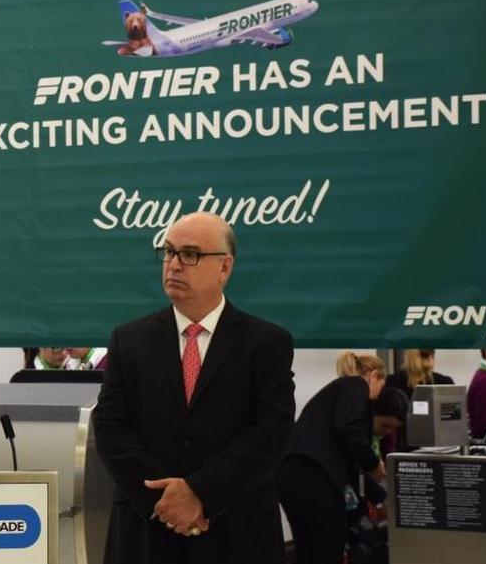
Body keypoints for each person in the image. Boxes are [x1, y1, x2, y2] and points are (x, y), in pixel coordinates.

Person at [92, 212, 295, 564]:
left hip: (236, 533)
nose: (173, 264)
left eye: (190, 254)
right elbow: (111, 426)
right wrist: (167, 502)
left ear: (225, 267)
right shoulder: (129, 339)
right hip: (147, 530)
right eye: (168, 252)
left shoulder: (266, 343)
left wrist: (199, 493)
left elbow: (270, 433)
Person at [277, 356, 408, 564]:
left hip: (288, 474)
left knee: (308, 551)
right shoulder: (355, 385)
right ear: (373, 376)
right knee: (328, 550)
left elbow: (350, 468)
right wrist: (373, 463)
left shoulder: (333, 402)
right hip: (315, 475)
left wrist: (381, 496)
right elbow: (346, 429)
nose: (385, 434)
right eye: (384, 427)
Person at [384, 349, 455, 399]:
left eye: (432, 356)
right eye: (425, 355)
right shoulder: (393, 382)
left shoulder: (445, 383)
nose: (430, 360)